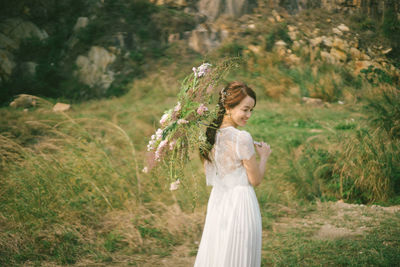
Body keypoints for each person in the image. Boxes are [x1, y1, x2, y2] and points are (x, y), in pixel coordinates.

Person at [194, 81, 272, 267]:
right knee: (239, 255)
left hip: (219, 201)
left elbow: (210, 172)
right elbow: (255, 180)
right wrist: (264, 157)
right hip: (240, 202)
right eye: (245, 109)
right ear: (228, 107)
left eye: (251, 110)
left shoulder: (209, 135)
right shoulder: (242, 138)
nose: (248, 115)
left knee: (219, 252)